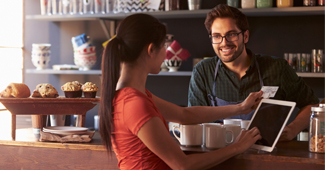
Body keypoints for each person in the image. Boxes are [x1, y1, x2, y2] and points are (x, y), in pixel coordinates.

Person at [99, 13, 263, 170]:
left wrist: (240, 107)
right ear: (150, 50)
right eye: (164, 46)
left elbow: (185, 115)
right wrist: (237, 147)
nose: (166, 53)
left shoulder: (132, 95)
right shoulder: (135, 103)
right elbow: (183, 165)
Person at [188, 4, 320, 141]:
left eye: (231, 34)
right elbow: (193, 118)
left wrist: (292, 130)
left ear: (245, 36)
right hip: (220, 156)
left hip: (268, 157)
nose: (224, 42)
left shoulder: (277, 68)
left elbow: (312, 104)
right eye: (216, 36)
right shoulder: (203, 71)